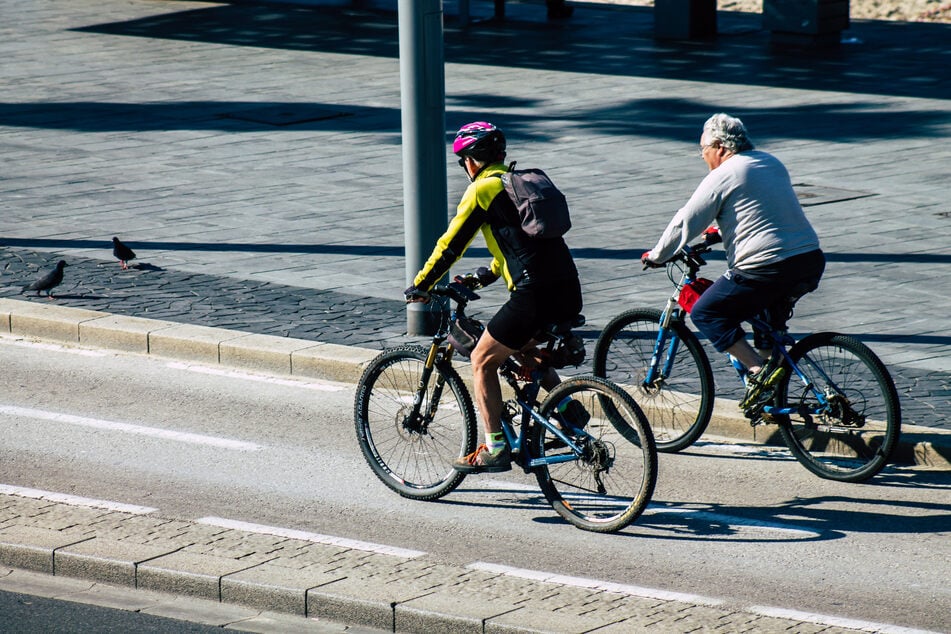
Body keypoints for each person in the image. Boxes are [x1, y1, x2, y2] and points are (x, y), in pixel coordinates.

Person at [405, 121, 584, 473]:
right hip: (567, 287)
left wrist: (421, 283)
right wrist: (483, 275)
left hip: (533, 295)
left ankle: (495, 447)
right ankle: (567, 410)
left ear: (472, 161)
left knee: (482, 360)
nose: (464, 169)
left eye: (463, 162)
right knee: (524, 349)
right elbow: (518, 246)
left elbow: (450, 245)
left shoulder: (481, 190)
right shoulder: (518, 184)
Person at [641, 113, 825, 409]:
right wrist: (717, 232)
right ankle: (773, 403)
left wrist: (657, 255)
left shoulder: (723, 174)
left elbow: (686, 221)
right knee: (768, 326)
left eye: (703, 150)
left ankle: (757, 370)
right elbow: (759, 207)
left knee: (706, 312)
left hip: (766, 267)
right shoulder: (769, 162)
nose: (703, 157)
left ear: (720, 146)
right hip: (809, 259)